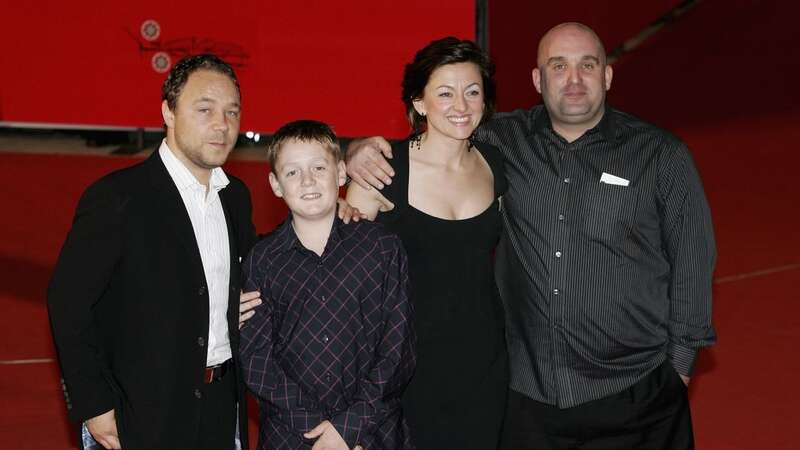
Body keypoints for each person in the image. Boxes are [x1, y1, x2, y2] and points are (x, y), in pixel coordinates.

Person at [346, 23, 716, 449]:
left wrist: (678, 371)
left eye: (588, 65)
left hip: (634, 392)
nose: (573, 80)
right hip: (528, 398)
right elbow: (433, 141)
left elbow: (694, 260)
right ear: (538, 80)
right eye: (558, 66)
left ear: (608, 75)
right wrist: (358, 150)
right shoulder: (504, 141)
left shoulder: (660, 155)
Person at [47, 54, 263, 450]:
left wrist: (343, 210)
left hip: (221, 403)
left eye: (232, 111)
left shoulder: (236, 197)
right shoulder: (117, 198)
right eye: (205, 109)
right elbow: (68, 303)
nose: (222, 124)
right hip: (144, 409)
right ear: (168, 111)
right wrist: (93, 402)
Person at [346, 37, 509, 449]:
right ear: (419, 102)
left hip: (483, 365)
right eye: (445, 93)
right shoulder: (383, 170)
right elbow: (340, 277)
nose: (461, 105)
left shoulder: (497, 165)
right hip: (403, 371)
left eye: (473, 92)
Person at [239, 120, 415, 450]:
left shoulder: (382, 248)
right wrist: (318, 429)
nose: (307, 180)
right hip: (291, 436)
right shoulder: (261, 260)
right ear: (276, 185)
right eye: (292, 172)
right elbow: (257, 360)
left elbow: (398, 349)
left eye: (319, 167)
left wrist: (349, 426)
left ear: (341, 173)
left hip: (371, 433)